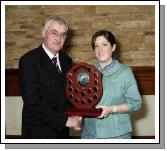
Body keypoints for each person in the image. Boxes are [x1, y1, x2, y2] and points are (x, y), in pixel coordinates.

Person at [18, 16, 81, 139]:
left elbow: (70, 94)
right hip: (38, 132)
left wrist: (77, 116)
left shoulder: (66, 60)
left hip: (62, 132)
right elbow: (32, 102)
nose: (59, 38)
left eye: (63, 35)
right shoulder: (29, 60)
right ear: (43, 33)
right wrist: (65, 121)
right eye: (54, 33)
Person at [81, 30, 142, 139]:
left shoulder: (125, 72)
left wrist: (111, 109)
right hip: (90, 133)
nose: (99, 49)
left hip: (117, 135)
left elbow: (135, 103)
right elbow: (81, 101)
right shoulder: (86, 72)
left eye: (104, 44)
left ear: (113, 47)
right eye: (96, 46)